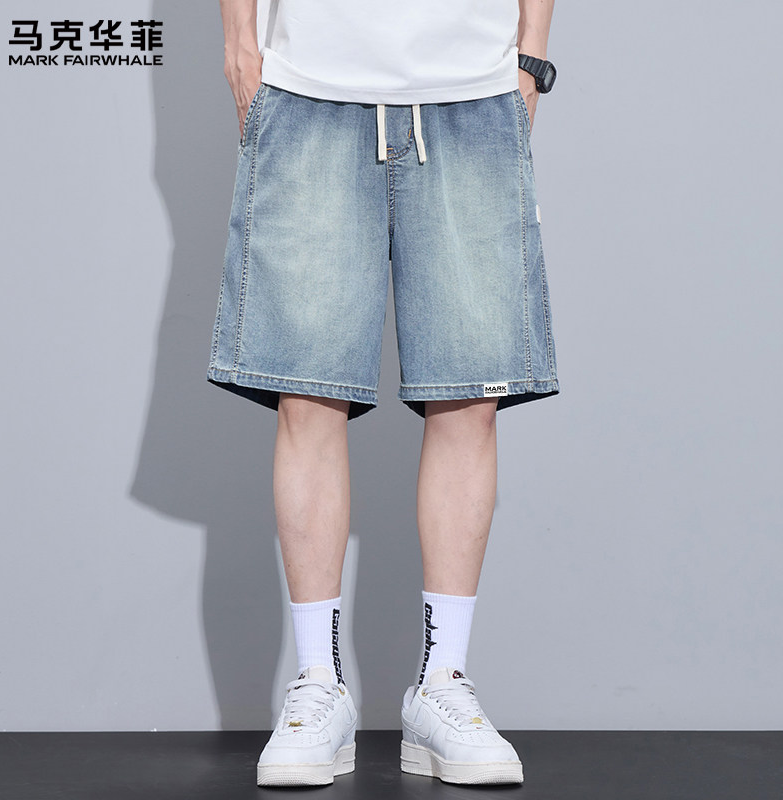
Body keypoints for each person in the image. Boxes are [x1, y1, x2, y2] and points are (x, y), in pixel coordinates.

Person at [208, 0, 559, 787]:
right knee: (307, 396)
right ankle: (317, 688)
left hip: (473, 90)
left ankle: (443, 686)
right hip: (308, 85)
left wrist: (531, 57)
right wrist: (239, 44)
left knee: (469, 397)